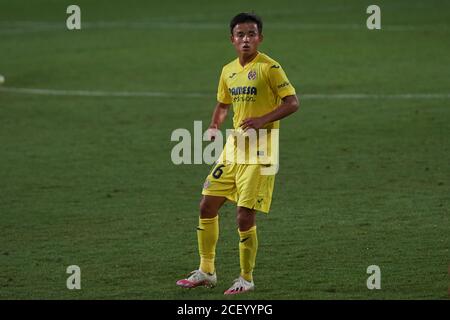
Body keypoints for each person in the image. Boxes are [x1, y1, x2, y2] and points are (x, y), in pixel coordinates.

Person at [176, 12, 299, 295]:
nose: (246, 39)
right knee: (207, 205)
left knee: (244, 215)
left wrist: (262, 119)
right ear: (232, 39)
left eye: (251, 34)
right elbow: (223, 104)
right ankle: (206, 271)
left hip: (261, 152)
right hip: (234, 149)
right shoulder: (228, 70)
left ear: (260, 38)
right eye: (241, 35)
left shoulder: (270, 68)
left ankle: (246, 279)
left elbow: (293, 103)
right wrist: (213, 126)